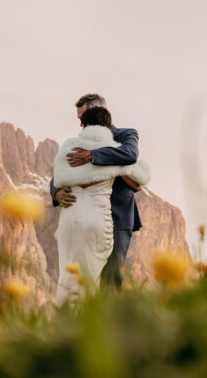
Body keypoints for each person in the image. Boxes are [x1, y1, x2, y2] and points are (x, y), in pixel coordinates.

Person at [50, 94, 145, 294]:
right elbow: (60, 171)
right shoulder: (79, 143)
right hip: (84, 216)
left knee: (111, 275)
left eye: (83, 118)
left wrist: (93, 155)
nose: (80, 124)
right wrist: (57, 192)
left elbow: (130, 155)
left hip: (118, 217)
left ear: (99, 112)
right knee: (81, 273)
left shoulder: (126, 135)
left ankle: (109, 314)